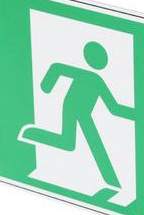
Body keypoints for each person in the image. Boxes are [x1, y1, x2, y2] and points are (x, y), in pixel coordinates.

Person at [22, 41, 134, 188]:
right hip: (71, 108)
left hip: (84, 113)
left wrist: (137, 115)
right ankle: (112, 181)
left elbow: (114, 108)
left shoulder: (97, 80)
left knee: (67, 142)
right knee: (81, 142)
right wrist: (46, 85)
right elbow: (57, 68)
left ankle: (31, 133)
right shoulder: (88, 76)